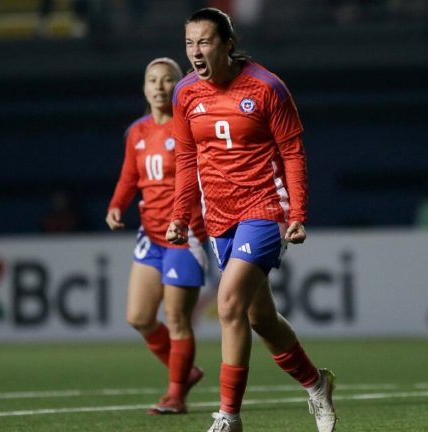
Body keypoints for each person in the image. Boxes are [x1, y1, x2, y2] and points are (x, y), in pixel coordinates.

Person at [166, 8, 337, 432]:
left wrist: (297, 214)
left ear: (227, 43)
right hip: (218, 215)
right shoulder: (185, 93)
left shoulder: (266, 87)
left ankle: (229, 417)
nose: (195, 52)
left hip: (263, 207)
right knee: (261, 319)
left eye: (204, 42)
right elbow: (187, 159)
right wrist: (180, 216)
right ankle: (317, 385)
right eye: (189, 43)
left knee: (228, 305)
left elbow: (293, 153)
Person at [106, 57, 208, 415]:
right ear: (144, 87)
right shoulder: (137, 131)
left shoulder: (191, 128)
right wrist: (117, 204)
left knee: (177, 318)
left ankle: (176, 395)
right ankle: (186, 372)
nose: (160, 86)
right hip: (150, 234)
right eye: (153, 80)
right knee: (138, 317)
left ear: (179, 87)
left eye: (168, 80)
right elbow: (129, 177)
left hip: (185, 234)